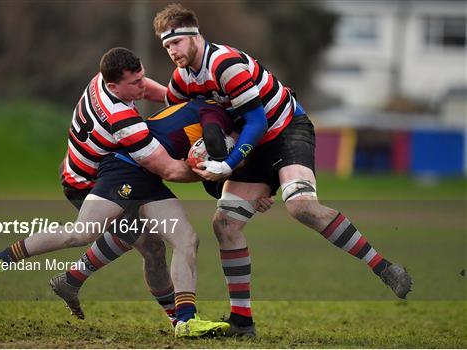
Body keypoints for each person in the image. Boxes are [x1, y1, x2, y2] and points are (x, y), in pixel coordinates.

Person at [153, 4, 413, 337]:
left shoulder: (225, 64)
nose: (172, 51)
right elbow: (193, 136)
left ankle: (384, 267)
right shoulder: (180, 83)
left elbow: (258, 120)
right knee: (225, 223)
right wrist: (224, 179)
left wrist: (231, 165)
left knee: (300, 206)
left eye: (176, 42)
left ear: (194, 35)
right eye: (166, 46)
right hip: (250, 146)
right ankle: (242, 322)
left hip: (286, 129)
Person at [0, 47, 229, 338]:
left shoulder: (103, 78)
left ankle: (183, 320)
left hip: (106, 170)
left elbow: (148, 90)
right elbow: (169, 170)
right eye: (134, 83)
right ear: (113, 86)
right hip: (87, 183)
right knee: (87, 233)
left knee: (164, 244)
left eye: (141, 77)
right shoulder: (123, 121)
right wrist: (211, 169)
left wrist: (184, 100)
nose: (141, 86)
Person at [49, 98, 274, 322]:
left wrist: (250, 194)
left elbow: (211, 181)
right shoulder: (214, 121)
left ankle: (72, 279)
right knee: (147, 242)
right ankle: (181, 319)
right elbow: (208, 158)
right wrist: (231, 166)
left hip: (135, 172)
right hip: (113, 169)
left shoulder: (209, 122)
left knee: (146, 242)